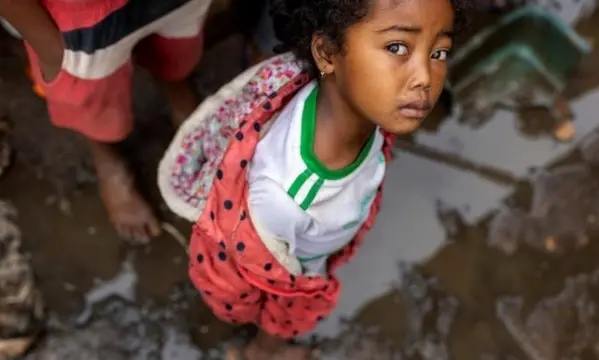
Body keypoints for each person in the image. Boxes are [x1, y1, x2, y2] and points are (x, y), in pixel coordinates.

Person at [158, 0, 466, 358]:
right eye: (396, 47)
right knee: (288, 312)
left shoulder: (358, 103)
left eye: (439, 52)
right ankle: (262, 351)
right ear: (327, 53)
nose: (426, 78)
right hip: (290, 271)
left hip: (306, 241)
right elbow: (285, 285)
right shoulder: (289, 199)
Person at [0, 0, 212, 242]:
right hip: (78, 15)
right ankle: (105, 155)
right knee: (90, 98)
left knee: (179, 46)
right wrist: (43, 38)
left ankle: (176, 87)